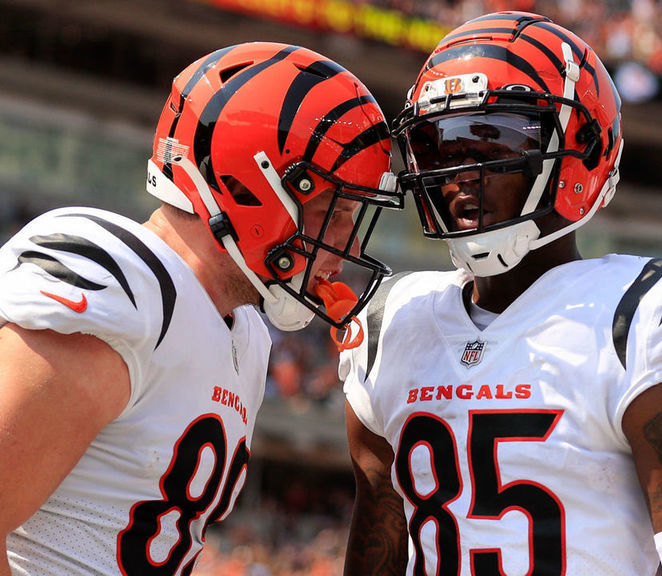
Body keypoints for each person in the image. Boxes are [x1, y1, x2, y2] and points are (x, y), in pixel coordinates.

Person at [341, 11, 662, 576]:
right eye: (438, 144)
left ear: (581, 150)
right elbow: (378, 555)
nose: (460, 171)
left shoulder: (637, 316)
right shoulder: (392, 323)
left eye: (493, 139)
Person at [0, 41, 401, 575]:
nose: (346, 242)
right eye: (334, 208)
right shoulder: (121, 284)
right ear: (250, 186)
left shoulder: (247, 337)